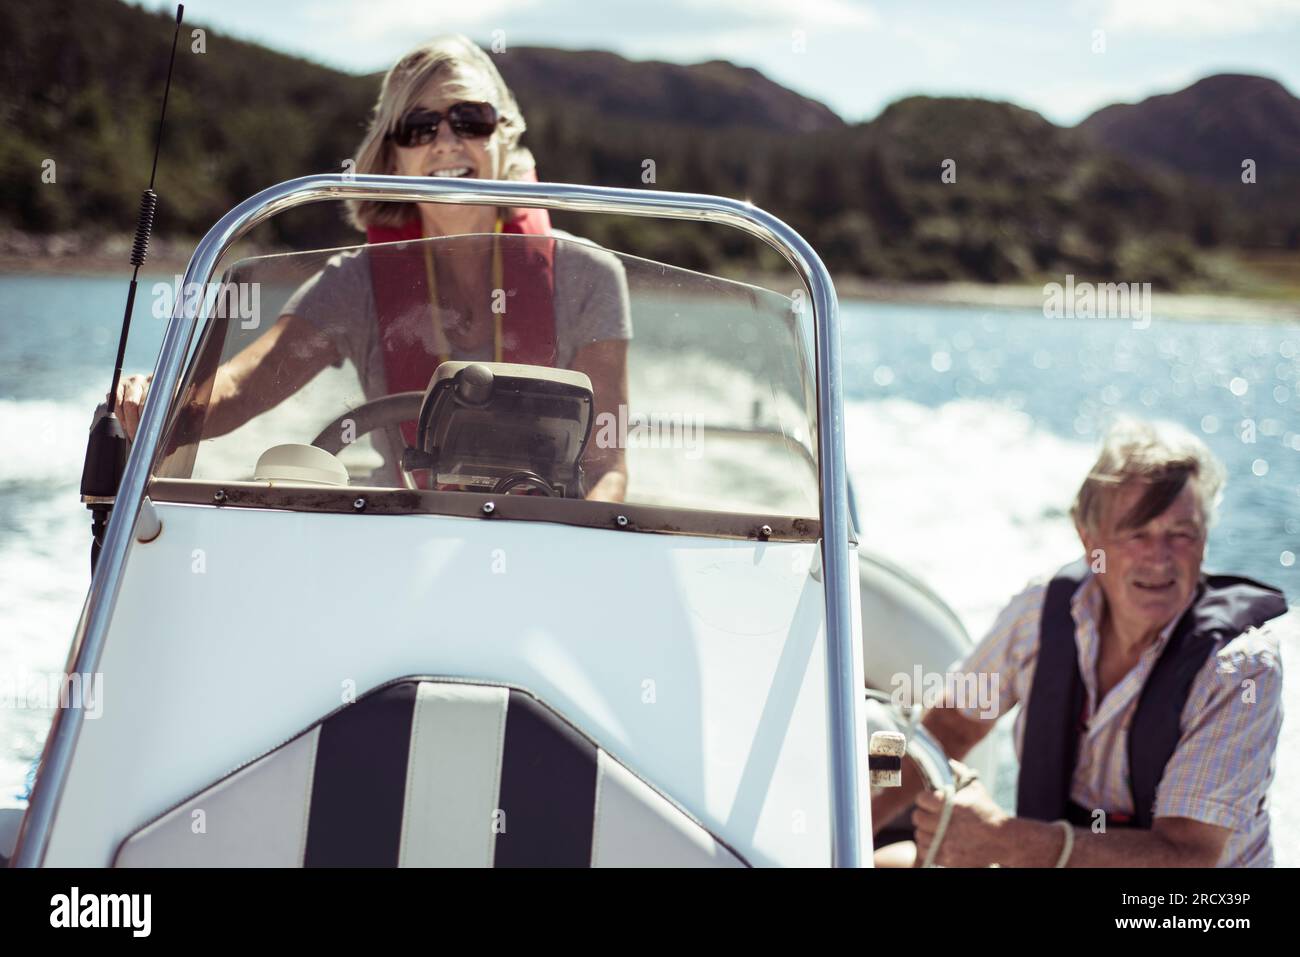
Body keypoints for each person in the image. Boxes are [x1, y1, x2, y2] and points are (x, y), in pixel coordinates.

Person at [116, 34, 631, 501]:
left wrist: (568, 545)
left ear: (504, 137)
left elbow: (607, 467)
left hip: (548, 541)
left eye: (471, 120)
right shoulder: (354, 285)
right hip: (399, 540)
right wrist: (159, 398)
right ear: (394, 156)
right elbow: (239, 391)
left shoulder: (592, 276)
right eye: (420, 127)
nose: (447, 142)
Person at [874, 416, 1290, 867]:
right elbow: (949, 726)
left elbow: (1189, 857)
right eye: (1137, 533)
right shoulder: (1040, 613)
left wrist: (1005, 839)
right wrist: (862, 820)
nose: (1159, 557)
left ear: (1205, 540)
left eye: (1181, 534)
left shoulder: (1240, 667)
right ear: (1088, 537)